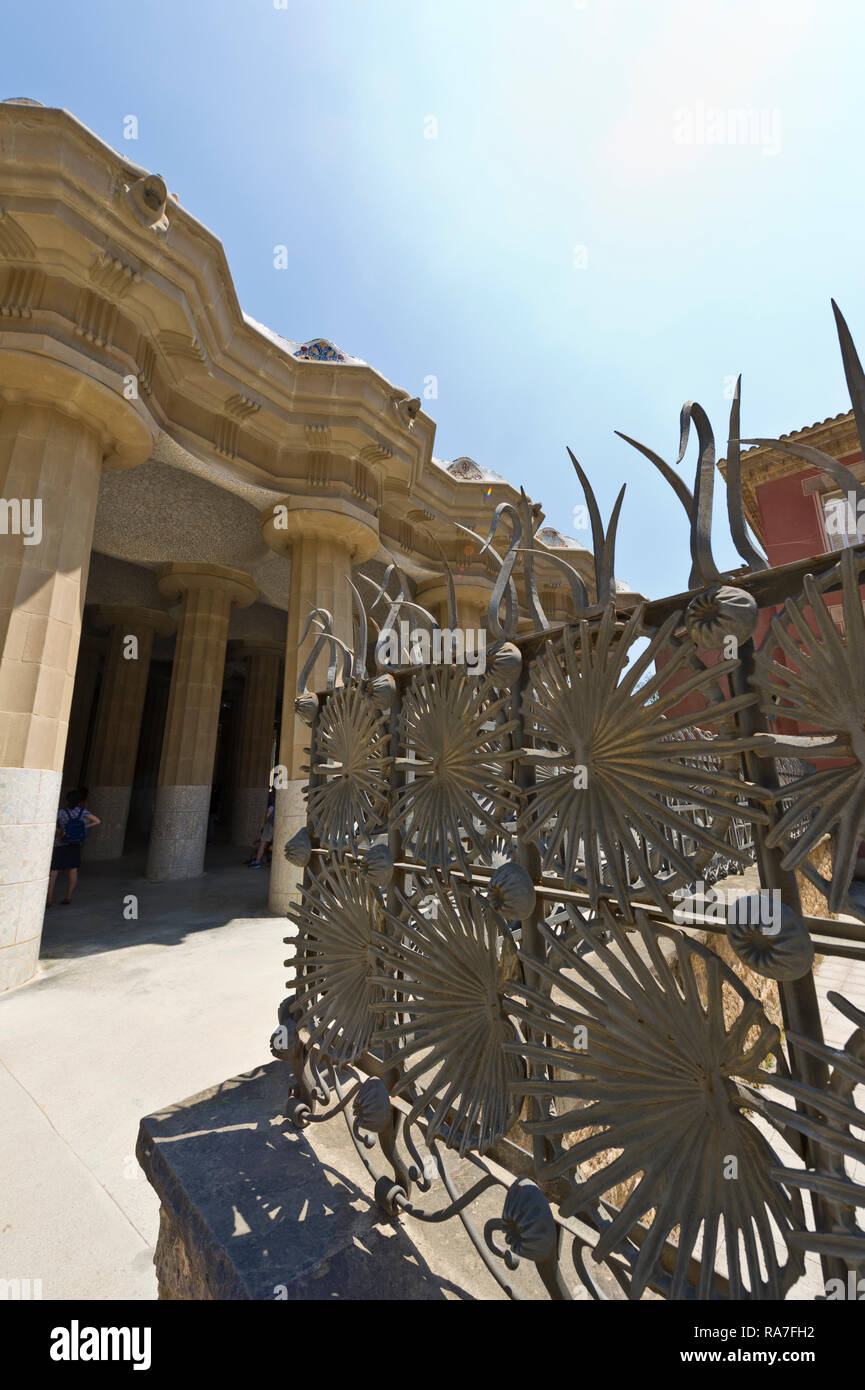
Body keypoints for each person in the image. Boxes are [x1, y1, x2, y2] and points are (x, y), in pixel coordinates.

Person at [47, 788, 101, 907]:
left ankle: (49, 899)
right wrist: (83, 828)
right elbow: (97, 821)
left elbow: (49, 822)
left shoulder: (61, 812)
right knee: (73, 870)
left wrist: (59, 831)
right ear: (79, 801)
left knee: (54, 871)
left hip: (60, 843)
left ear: (67, 800)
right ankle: (68, 897)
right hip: (75, 844)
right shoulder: (83, 812)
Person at [248, 793, 275, 869]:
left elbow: (268, 815)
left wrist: (265, 824)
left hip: (269, 825)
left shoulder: (272, 806)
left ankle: (257, 862)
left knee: (262, 844)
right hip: (278, 826)